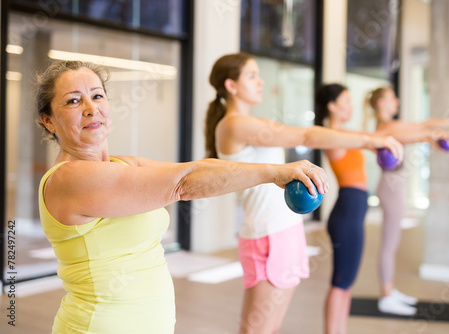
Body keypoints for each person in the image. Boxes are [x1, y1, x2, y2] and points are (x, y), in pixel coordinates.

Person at [36, 60, 331, 334]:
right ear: (48, 121)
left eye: (97, 96)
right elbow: (183, 184)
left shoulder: (122, 165)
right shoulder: (68, 179)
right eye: (73, 100)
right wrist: (273, 173)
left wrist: (277, 171)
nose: (90, 108)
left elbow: (198, 169)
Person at [204, 53, 404, 334]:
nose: (260, 81)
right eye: (251, 76)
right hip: (267, 235)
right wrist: (371, 140)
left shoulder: (249, 122)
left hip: (286, 231)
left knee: (271, 328)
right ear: (231, 86)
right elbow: (305, 136)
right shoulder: (233, 125)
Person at [365, 86, 449, 316]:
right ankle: (386, 296)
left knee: (392, 243)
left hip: (394, 185)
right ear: (381, 104)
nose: (396, 100)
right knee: (389, 244)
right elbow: (418, 131)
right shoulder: (387, 127)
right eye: (392, 97)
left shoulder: (390, 125)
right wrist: (429, 137)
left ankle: (391, 290)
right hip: (391, 187)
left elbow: (426, 124)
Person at [315, 83, 384, 334]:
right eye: (345, 100)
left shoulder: (346, 133)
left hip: (355, 211)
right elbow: (364, 139)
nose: (350, 105)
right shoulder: (331, 135)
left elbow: (365, 139)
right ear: (332, 106)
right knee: (340, 282)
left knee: (347, 283)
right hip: (347, 212)